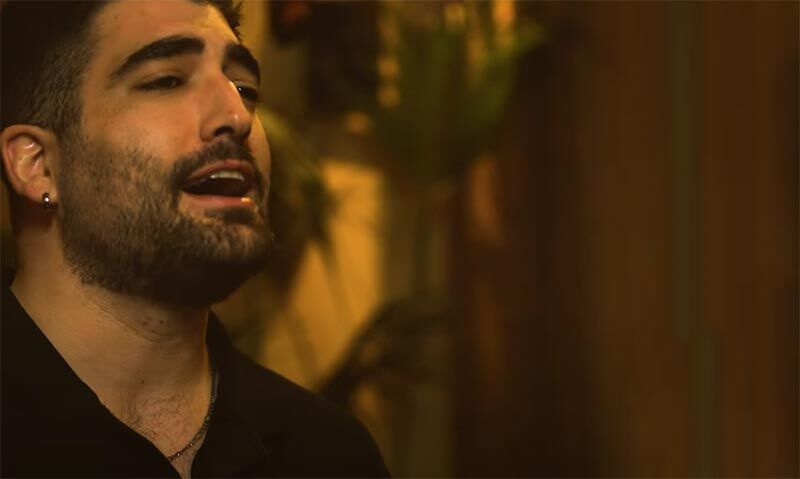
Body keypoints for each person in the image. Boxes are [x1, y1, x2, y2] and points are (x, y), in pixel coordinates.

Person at [0, 1, 388, 477]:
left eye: (245, 89)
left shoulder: (329, 454)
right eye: (166, 81)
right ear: (37, 164)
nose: (237, 115)